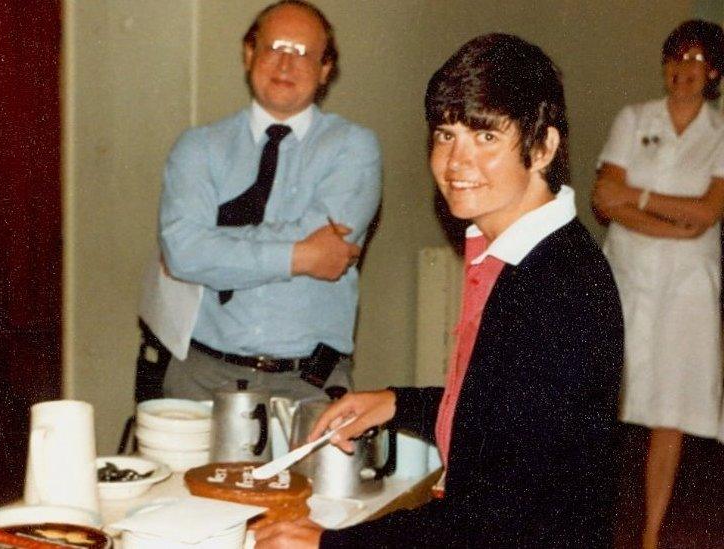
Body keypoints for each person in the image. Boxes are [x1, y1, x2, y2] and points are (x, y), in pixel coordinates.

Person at [256, 33, 624, 548]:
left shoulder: (558, 288)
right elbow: (499, 415)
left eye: (486, 138)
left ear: (542, 147)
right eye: (446, 134)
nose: (456, 162)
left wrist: (330, 544)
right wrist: (395, 404)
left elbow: (497, 518)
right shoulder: (517, 254)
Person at [158, 0, 381, 402]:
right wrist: (300, 256)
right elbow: (183, 252)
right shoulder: (199, 147)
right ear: (249, 54)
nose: (285, 64)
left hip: (309, 385)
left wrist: (217, 245)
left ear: (325, 69)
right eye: (273, 47)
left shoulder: (353, 147)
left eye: (302, 53)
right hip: (200, 378)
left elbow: (201, 248)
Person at [591, 19, 724, 549]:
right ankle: (591, 523)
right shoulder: (634, 118)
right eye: (676, 59)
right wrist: (673, 221)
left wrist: (637, 201)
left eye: (695, 61)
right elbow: (604, 198)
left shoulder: (720, 134)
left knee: (670, 407)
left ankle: (650, 534)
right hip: (627, 271)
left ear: (713, 72)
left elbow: (709, 211)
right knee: (606, 396)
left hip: (689, 285)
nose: (683, 71)